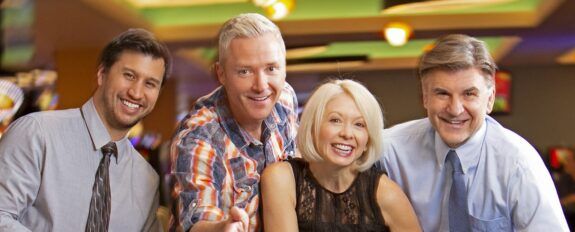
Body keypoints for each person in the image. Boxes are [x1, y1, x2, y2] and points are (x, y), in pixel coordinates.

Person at [378, 34, 568, 231]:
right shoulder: (389, 151)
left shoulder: (518, 162)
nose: (455, 109)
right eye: (442, 93)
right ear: (425, 98)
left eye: (469, 94)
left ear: (490, 99)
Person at [0, 28, 171, 231]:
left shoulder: (147, 179)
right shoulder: (37, 133)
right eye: (129, 75)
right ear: (102, 74)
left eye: (150, 84)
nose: (136, 92)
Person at [169, 13, 298, 232]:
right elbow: (196, 220)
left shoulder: (284, 97)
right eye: (244, 71)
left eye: (271, 68)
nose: (261, 85)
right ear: (221, 73)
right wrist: (221, 228)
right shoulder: (199, 138)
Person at [261, 79, 421, 232]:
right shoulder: (281, 178)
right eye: (335, 120)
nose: (347, 133)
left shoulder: (386, 193)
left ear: (368, 140)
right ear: (312, 127)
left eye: (359, 124)